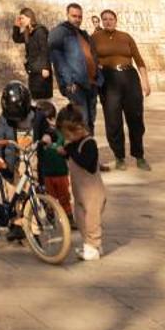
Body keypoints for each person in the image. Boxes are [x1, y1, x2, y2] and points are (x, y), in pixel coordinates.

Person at [92, 9, 152, 172]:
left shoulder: (125, 37)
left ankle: (139, 156)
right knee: (113, 120)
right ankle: (119, 157)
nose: (108, 21)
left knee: (136, 118)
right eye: (105, 19)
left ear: (116, 20)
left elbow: (139, 60)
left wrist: (145, 82)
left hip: (129, 78)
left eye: (111, 19)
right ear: (101, 21)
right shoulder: (95, 38)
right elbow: (90, 59)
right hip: (109, 80)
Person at [58, 108, 106, 260]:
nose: (67, 139)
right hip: (80, 192)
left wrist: (70, 151)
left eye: (68, 135)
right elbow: (72, 157)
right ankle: (91, 246)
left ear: (78, 129)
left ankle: (93, 245)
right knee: (80, 219)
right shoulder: (74, 143)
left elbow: (89, 165)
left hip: (93, 193)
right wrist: (65, 152)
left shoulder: (89, 143)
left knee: (92, 221)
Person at [48, 2, 100, 131]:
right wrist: (68, 81)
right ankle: (82, 149)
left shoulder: (83, 34)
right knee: (83, 120)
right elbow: (58, 59)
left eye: (79, 17)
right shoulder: (59, 32)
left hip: (91, 83)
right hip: (75, 84)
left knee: (91, 120)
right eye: (74, 16)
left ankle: (89, 148)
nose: (77, 19)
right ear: (67, 15)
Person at [36, 101, 72, 215]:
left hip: (61, 172)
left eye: (50, 120)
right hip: (46, 174)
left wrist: (63, 151)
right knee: (49, 198)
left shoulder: (60, 133)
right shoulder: (39, 135)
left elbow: (67, 150)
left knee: (64, 197)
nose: (48, 125)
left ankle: (68, 216)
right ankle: (49, 215)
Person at [13, 6, 53, 101]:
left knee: (44, 99)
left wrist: (46, 68)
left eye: (22, 18)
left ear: (29, 17)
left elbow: (45, 49)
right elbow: (17, 38)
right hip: (33, 70)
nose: (21, 20)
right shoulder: (28, 32)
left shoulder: (40, 31)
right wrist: (16, 26)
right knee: (34, 97)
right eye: (20, 18)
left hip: (42, 71)